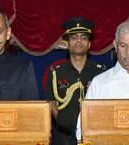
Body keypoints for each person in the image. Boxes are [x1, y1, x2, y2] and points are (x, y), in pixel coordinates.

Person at [44, 17, 106, 145]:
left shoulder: (100, 72)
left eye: (83, 38)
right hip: (64, 138)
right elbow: (50, 102)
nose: (79, 41)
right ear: (67, 44)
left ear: (89, 44)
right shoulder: (56, 72)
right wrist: (62, 121)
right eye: (74, 38)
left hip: (94, 137)